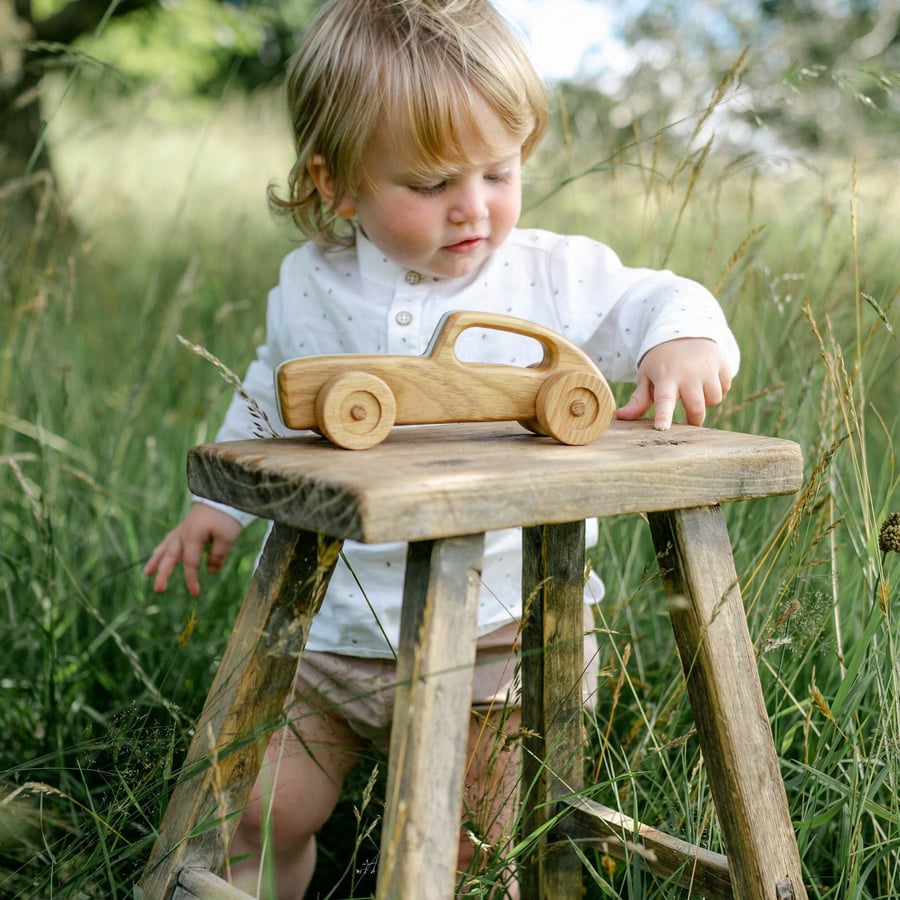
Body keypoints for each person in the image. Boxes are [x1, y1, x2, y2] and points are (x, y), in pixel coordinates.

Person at [145, 0, 740, 895]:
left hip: (498, 652)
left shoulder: (548, 275)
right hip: (332, 642)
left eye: (499, 172)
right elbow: (269, 397)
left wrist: (681, 343)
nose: (473, 209)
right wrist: (219, 504)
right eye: (429, 186)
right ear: (336, 185)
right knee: (261, 813)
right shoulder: (309, 284)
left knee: (477, 845)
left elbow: (661, 297)